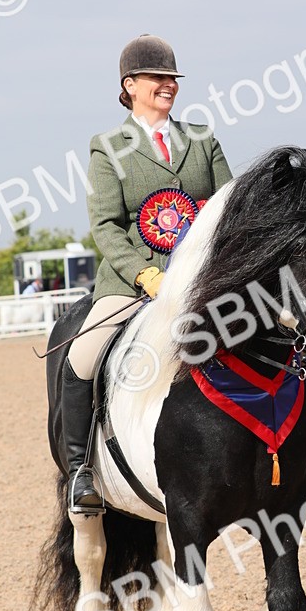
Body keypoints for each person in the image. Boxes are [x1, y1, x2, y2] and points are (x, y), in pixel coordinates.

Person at [62, 33, 233, 511]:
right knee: (82, 357)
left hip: (202, 281)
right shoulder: (107, 147)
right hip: (134, 285)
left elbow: (230, 206)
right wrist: (145, 275)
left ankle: (286, 457)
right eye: (158, 77)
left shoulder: (201, 139)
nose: (168, 84)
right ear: (130, 85)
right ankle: (80, 471)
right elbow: (106, 225)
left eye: (172, 78)